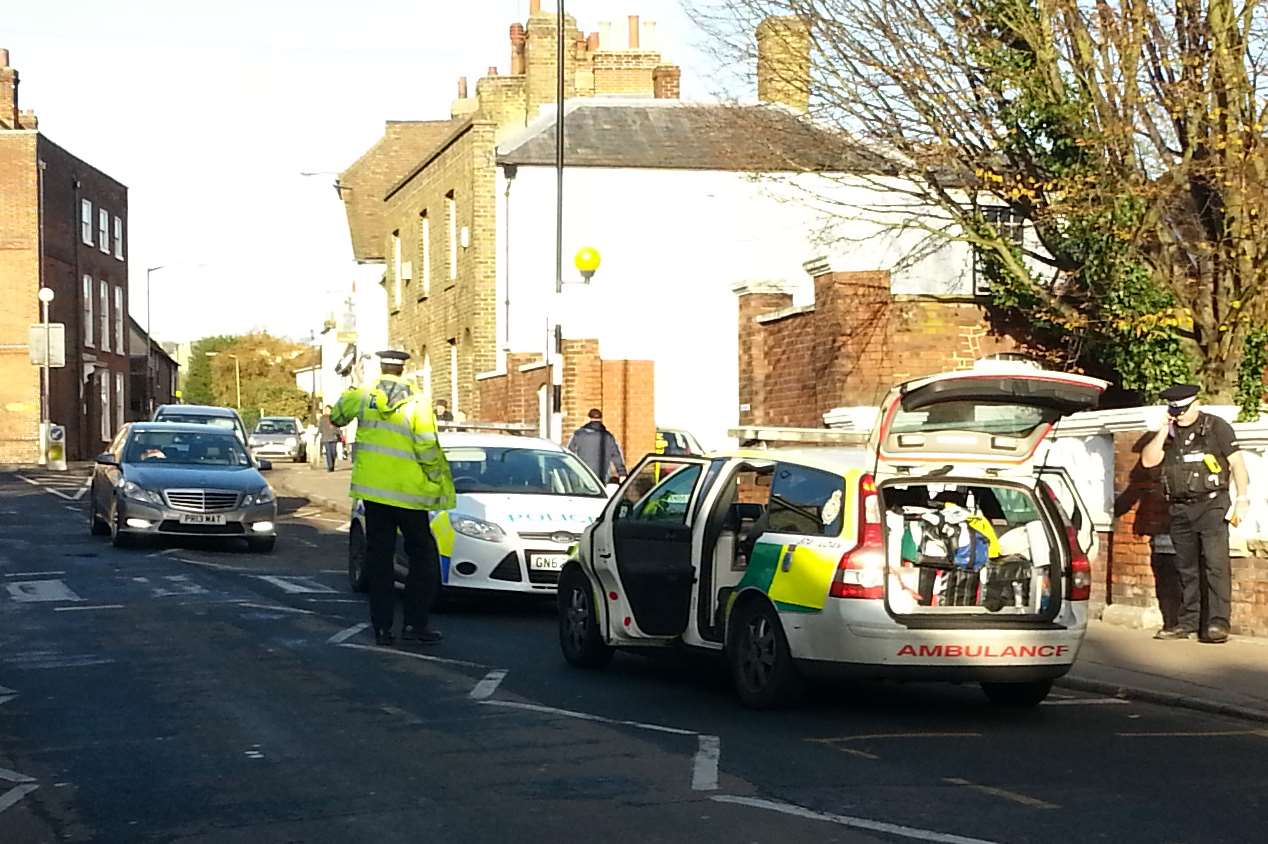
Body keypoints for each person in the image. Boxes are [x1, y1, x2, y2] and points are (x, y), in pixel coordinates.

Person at [331, 350, 456, 647]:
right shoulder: (417, 401)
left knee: (380, 561)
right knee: (422, 557)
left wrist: (351, 390)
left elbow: (337, 416)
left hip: (374, 493)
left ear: (382, 367)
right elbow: (426, 444)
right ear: (403, 369)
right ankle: (415, 623)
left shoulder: (363, 394)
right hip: (410, 493)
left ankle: (382, 628)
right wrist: (436, 476)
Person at [1142, 383, 1250, 644]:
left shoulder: (1216, 427)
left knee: (1215, 565)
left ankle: (1217, 623)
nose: (1179, 415)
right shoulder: (1169, 433)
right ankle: (1187, 622)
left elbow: (1237, 464)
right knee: (1186, 568)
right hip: (1180, 508)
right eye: (1174, 411)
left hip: (1212, 505)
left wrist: (1242, 499)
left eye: (1183, 410)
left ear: (1196, 404)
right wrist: (1162, 430)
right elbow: (1148, 461)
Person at [567, 408, 627, 484]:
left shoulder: (578, 435)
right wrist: (622, 473)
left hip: (581, 476)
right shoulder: (608, 436)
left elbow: (569, 453)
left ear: (589, 418)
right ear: (601, 419)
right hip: (601, 476)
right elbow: (616, 455)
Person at [318, 406, 341, 472]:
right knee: (328, 452)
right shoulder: (322, 418)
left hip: (333, 437)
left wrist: (339, 433)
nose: (327, 411)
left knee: (333, 452)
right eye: (326, 410)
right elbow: (320, 428)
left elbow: (337, 427)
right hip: (325, 438)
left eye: (328, 410)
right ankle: (330, 466)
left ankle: (332, 465)